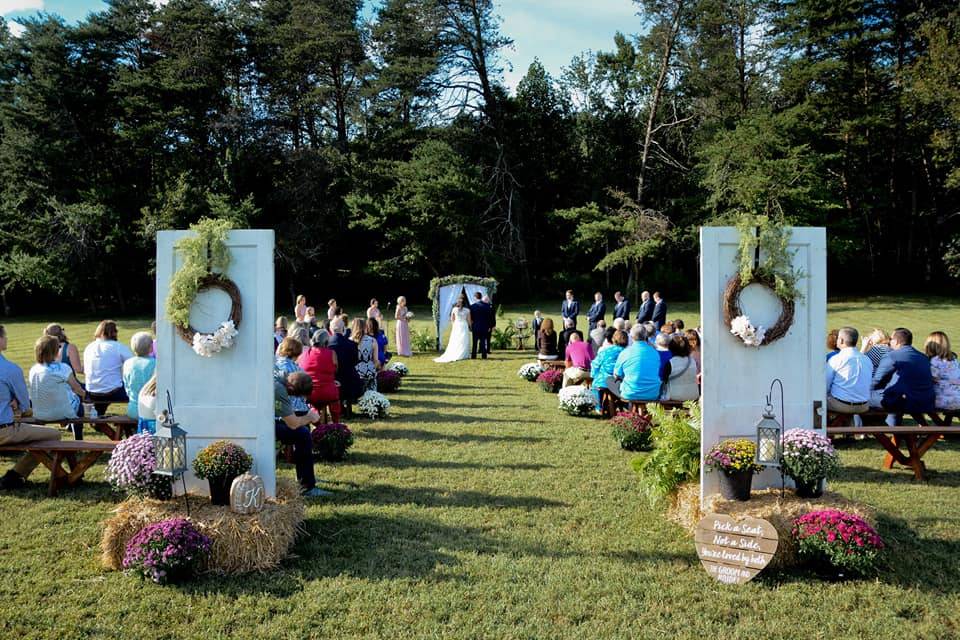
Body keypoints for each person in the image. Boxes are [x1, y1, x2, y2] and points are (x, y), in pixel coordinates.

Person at [1, 325, 63, 490]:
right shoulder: (10, 369)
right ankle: (16, 474)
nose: (6, 339)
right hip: (5, 431)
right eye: (4, 336)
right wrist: (15, 404)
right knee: (55, 435)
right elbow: (25, 404)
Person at [274, 370, 328, 497]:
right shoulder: (280, 390)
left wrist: (305, 417)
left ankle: (306, 475)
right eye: (297, 396)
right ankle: (307, 486)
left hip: (268, 418)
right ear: (292, 389)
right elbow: (293, 424)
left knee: (302, 428)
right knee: (302, 434)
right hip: (263, 425)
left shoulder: (283, 376)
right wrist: (309, 417)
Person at [872, 328, 936, 419]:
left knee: (860, 399)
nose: (889, 342)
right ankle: (896, 431)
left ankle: (858, 430)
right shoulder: (923, 357)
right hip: (927, 402)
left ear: (896, 341)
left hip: (902, 402)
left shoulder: (892, 356)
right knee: (895, 395)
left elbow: (876, 380)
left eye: (890, 339)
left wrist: (863, 392)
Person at [28, 335, 85, 431]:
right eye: (58, 347)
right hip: (62, 413)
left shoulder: (34, 369)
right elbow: (76, 388)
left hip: (40, 413)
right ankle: (78, 437)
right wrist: (85, 395)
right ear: (54, 351)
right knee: (78, 399)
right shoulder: (63, 368)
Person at [83, 320, 133, 416]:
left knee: (98, 411)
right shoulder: (118, 347)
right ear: (114, 332)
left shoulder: (89, 347)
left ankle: (99, 420)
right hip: (113, 391)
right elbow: (133, 364)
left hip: (92, 391)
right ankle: (134, 420)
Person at [825, 327, 873, 415]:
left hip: (841, 405)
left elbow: (825, 385)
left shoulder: (836, 359)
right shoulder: (867, 360)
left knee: (815, 403)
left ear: (841, 341)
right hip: (864, 405)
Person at [298, 330, 341, 423]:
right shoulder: (331, 353)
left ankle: (317, 423)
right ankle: (335, 422)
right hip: (328, 392)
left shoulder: (305, 353)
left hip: (310, 393)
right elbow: (336, 369)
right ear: (326, 342)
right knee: (335, 395)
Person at [612, 325, 662, 402]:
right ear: (645, 336)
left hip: (631, 392)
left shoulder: (625, 352)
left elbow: (617, 374)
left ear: (631, 337)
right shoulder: (655, 352)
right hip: (653, 392)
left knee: (609, 381)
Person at [328, 319, 363, 411]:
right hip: (350, 381)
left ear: (330, 329)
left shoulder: (326, 344)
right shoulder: (351, 344)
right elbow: (356, 361)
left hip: (332, 379)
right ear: (343, 329)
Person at [122, 331, 156, 421]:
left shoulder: (127, 363)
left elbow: (127, 386)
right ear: (150, 347)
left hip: (133, 408)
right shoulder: (155, 363)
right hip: (150, 409)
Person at [591, 329, 628, 409]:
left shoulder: (606, 351)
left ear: (613, 339)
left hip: (603, 381)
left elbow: (595, 364)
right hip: (622, 382)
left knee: (595, 384)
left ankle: (598, 406)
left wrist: (593, 375)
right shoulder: (628, 353)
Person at [924, 331, 960, 411]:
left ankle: (923, 423)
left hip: (944, 401)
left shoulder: (934, 361)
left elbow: (931, 379)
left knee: (918, 401)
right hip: (958, 399)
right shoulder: (954, 359)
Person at [275, 337, 311, 414]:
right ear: (297, 353)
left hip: (278, 407)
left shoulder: (274, 364)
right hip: (296, 408)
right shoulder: (297, 370)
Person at [661, 334, 699, 401]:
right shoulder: (692, 361)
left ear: (671, 348)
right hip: (693, 395)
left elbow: (664, 380)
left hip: (675, 396)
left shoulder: (670, 363)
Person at [434, 295, 472, 363]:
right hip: (463, 325)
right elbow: (468, 320)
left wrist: (454, 325)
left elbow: (452, 319)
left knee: (456, 339)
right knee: (463, 339)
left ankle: (456, 351)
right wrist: (470, 327)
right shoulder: (467, 310)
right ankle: (464, 354)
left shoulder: (454, 309)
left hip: (457, 325)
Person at [352, 318, 380, 388]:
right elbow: (376, 360)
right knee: (370, 396)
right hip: (369, 371)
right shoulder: (373, 340)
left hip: (354, 372)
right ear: (365, 327)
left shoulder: (349, 340)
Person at [469, 291, 493, 359]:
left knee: (475, 342)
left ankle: (473, 356)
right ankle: (484, 355)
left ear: (475, 298)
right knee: (483, 342)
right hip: (484, 326)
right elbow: (490, 318)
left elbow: (471, 318)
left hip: (475, 326)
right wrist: (489, 326)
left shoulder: (472, 306)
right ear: (481, 297)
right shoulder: (487, 306)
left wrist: (471, 326)